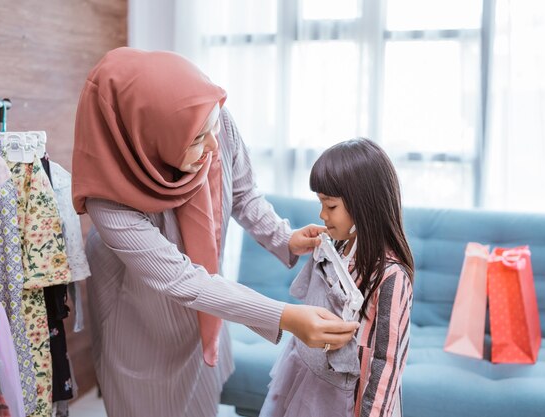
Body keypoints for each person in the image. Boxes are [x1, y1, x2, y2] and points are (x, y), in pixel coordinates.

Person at [71, 47, 359, 417]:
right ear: (148, 135)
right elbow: (182, 279)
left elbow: (243, 193)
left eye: (213, 129)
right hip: (139, 319)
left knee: (201, 399)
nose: (211, 146)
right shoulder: (108, 201)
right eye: (196, 139)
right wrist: (285, 316)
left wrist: (283, 236)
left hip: (204, 311)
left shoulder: (211, 120)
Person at [259, 138, 415, 417]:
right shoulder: (335, 247)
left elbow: (386, 363)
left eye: (330, 207)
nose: (321, 215)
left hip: (347, 402)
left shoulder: (391, 277)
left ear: (362, 206)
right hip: (308, 378)